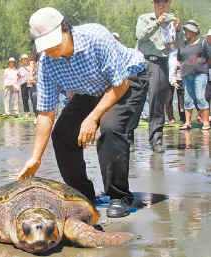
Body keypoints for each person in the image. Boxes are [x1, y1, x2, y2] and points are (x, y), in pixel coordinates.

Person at [16, 7, 148, 218]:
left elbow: (120, 85)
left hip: (127, 80)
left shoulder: (96, 37)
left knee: (111, 128)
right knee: (62, 134)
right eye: (44, 45)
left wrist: (93, 117)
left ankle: (119, 196)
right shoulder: (47, 63)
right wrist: (35, 158)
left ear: (65, 29)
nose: (49, 49)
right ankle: (83, 195)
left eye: (53, 42)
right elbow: (45, 113)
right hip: (91, 89)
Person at [136, 0, 185, 153]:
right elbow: (140, 36)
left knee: (157, 102)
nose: (161, 5)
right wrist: (157, 22)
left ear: (169, 3)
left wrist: (178, 29)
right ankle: (127, 136)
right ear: (153, 3)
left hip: (160, 63)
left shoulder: (172, 20)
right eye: (157, 2)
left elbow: (180, 45)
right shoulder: (144, 18)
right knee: (134, 100)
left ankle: (156, 140)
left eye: (164, 2)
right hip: (141, 62)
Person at [177, 21, 210, 130]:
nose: (185, 33)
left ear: (194, 32)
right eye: (185, 30)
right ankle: (188, 122)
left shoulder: (203, 43)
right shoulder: (183, 45)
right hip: (187, 75)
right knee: (188, 99)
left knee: (200, 97)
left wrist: (202, 67)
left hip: (200, 74)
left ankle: (206, 123)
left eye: (188, 31)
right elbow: (180, 59)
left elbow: (209, 57)